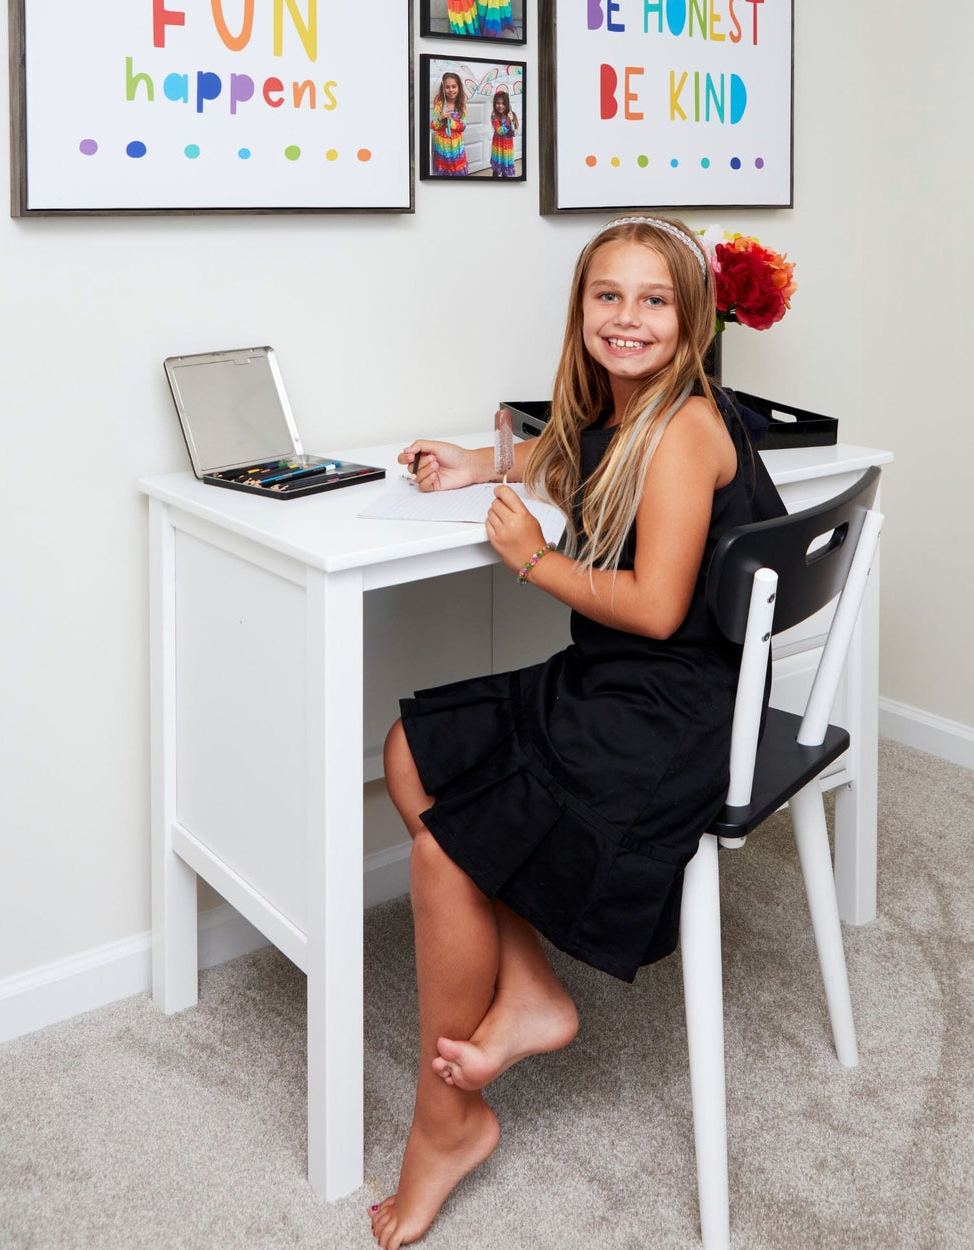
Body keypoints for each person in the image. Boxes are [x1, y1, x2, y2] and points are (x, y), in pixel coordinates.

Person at [369, 216, 786, 1250]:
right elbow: (572, 452)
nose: (627, 318)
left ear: (690, 319)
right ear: (580, 311)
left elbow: (651, 605)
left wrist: (529, 560)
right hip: (618, 680)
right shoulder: (618, 406)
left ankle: (445, 1121)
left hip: (665, 710)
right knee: (408, 755)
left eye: (652, 299)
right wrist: (478, 462)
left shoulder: (686, 427)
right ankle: (533, 986)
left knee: (440, 847)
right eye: (608, 296)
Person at [430, 73, 468, 177]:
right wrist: (440, 117)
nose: (451, 90)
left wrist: (451, 121)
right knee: (445, 175)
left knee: (457, 172)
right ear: (443, 89)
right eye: (447, 87)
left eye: (454, 86)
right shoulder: (440, 105)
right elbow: (433, 126)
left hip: (456, 146)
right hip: (443, 146)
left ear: (459, 88)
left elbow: (463, 126)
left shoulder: (461, 106)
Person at [489, 89, 518, 178]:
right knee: (496, 170)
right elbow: (500, 131)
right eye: (498, 103)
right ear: (494, 104)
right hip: (497, 147)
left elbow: (515, 133)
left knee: (505, 171)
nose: (500, 106)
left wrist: (513, 126)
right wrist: (508, 121)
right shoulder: (494, 116)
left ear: (507, 104)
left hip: (507, 148)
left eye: (503, 103)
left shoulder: (511, 115)